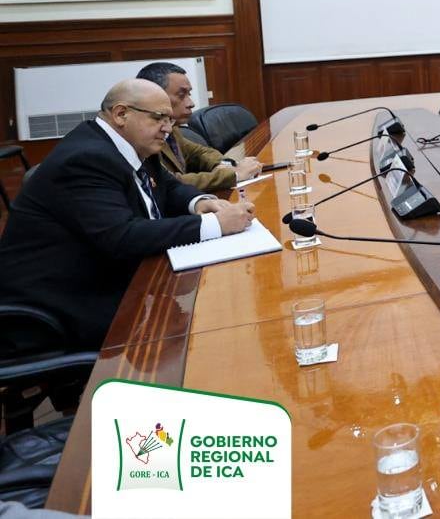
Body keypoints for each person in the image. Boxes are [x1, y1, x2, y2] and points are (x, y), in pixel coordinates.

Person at [0, 79, 255, 349]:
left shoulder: (135, 144)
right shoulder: (85, 159)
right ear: (121, 114)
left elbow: (168, 186)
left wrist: (199, 202)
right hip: (61, 306)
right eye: (159, 118)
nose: (168, 128)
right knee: (207, 332)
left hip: (113, 277)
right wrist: (215, 224)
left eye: (169, 119)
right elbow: (122, 236)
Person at [137, 61, 261, 192]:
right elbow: (170, 182)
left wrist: (227, 165)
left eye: (189, 94)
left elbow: (201, 153)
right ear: (155, 95)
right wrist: (234, 174)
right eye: (181, 95)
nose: (191, 103)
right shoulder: (142, 137)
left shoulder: (173, 129)